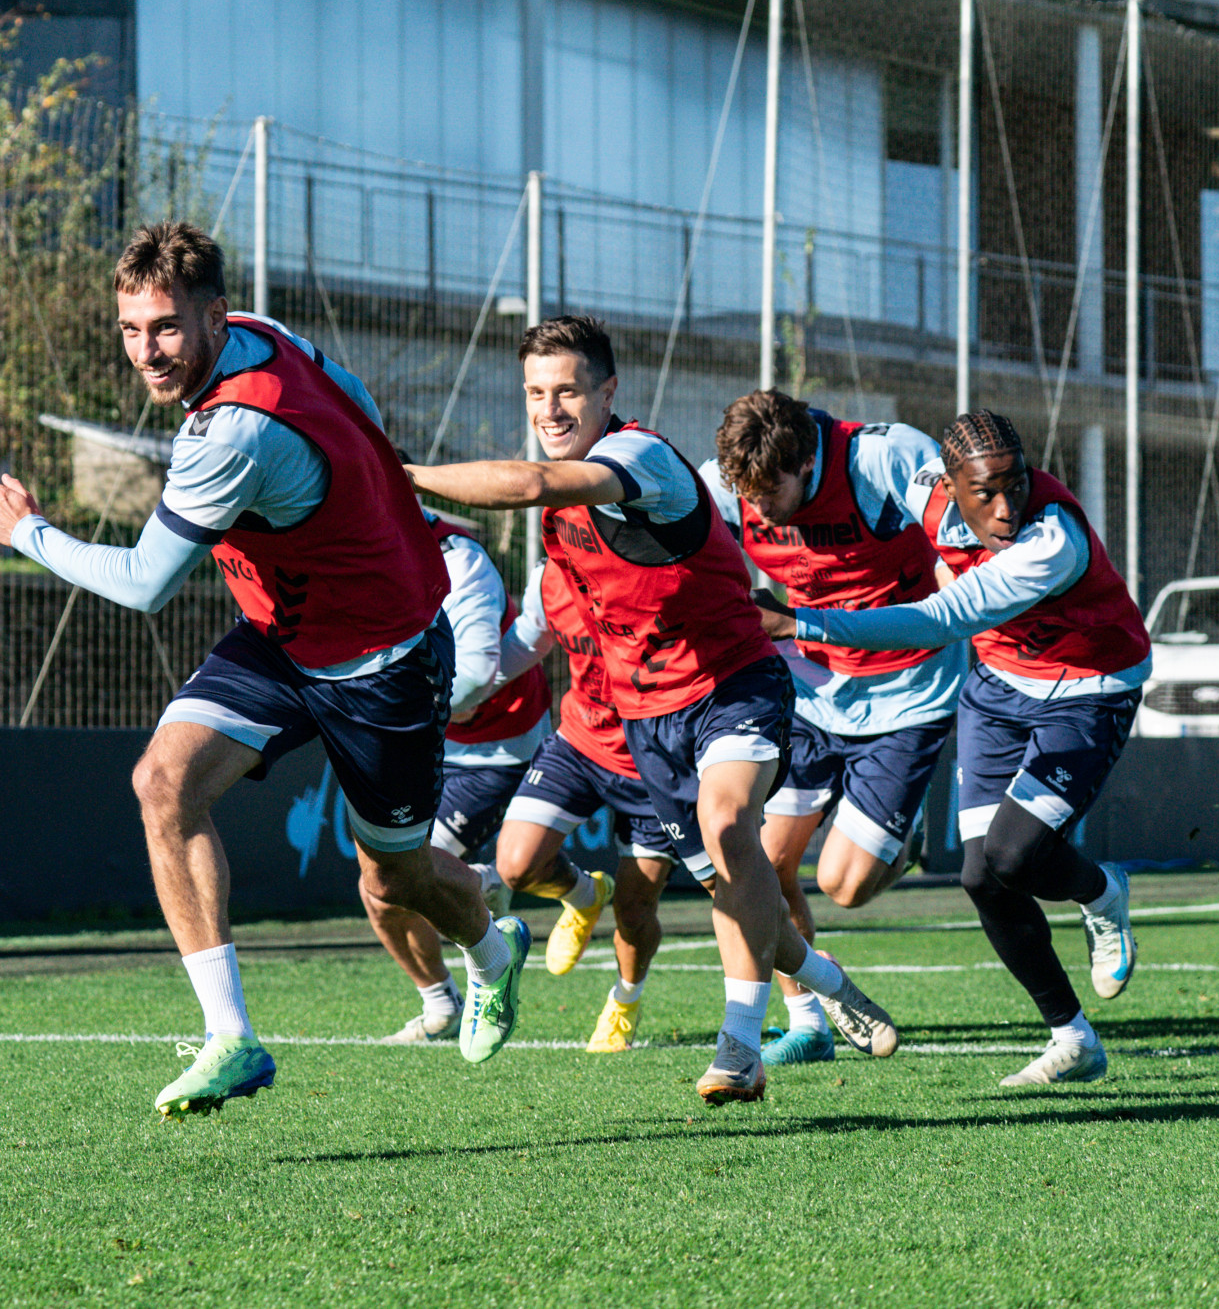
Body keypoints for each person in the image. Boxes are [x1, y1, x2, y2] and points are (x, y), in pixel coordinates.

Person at [0, 221, 531, 1117]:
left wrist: (29, 534)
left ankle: (494, 951)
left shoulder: (229, 434)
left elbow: (146, 583)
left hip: (384, 659)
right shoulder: (262, 334)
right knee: (163, 781)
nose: (146, 352)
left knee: (397, 879)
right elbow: (354, 399)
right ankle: (231, 1037)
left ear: (212, 317)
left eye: (164, 328)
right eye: (129, 329)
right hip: (283, 635)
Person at [407, 315, 898, 1104]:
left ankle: (740, 1050)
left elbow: (533, 480)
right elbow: (534, 631)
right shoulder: (558, 524)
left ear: (608, 391)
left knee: (730, 828)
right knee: (729, 887)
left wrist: (404, 475)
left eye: (568, 389)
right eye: (536, 392)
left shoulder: (636, 458)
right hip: (645, 722)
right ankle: (829, 982)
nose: (551, 408)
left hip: (733, 684)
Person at [759, 409, 1147, 1088]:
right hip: (998, 687)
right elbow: (884, 477)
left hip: (1090, 688)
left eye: (1016, 483)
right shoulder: (928, 496)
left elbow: (939, 617)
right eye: (986, 491)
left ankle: (1101, 891)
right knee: (979, 877)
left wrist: (799, 618)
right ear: (950, 487)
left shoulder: (1049, 540)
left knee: (1013, 854)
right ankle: (1072, 1036)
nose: (1006, 506)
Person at [703, 391, 964, 1069]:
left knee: (843, 885)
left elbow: (964, 538)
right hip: (813, 689)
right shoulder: (727, 487)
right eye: (745, 493)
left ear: (808, 460)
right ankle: (808, 1018)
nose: (757, 508)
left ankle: (895, 843)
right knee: (767, 862)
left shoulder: (883, 455)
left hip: (909, 687)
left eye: (771, 491)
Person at [489, 554, 692, 1052]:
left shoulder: (661, 571)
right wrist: (455, 689)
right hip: (581, 741)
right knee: (515, 865)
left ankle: (625, 999)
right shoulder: (549, 577)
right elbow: (521, 646)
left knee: (635, 907)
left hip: (658, 758)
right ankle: (582, 895)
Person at [368, 504, 553, 1046]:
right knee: (379, 888)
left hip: (494, 745)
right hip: (423, 739)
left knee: (404, 877)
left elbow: (474, 674)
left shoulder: (459, 558)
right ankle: (441, 1002)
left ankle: (487, 887)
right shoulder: (351, 546)